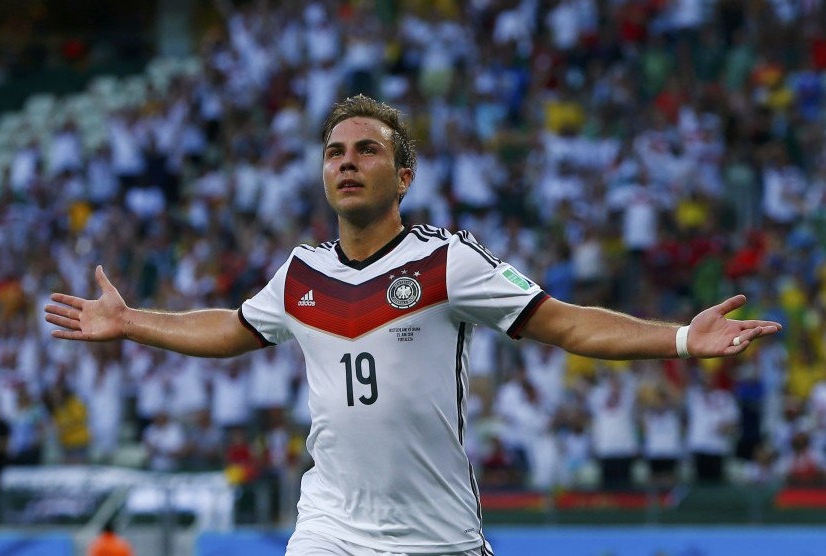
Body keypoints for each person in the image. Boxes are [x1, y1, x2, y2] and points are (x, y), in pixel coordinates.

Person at [45, 95, 782, 556]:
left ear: (403, 178)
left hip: (438, 535)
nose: (347, 162)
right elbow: (234, 328)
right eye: (335, 152)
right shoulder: (301, 274)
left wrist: (684, 338)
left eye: (368, 150)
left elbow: (565, 325)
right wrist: (133, 321)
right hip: (331, 526)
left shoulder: (447, 261)